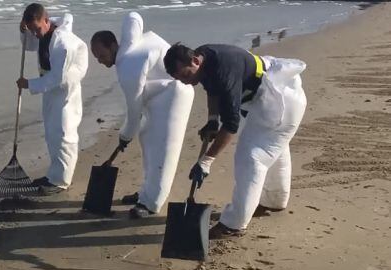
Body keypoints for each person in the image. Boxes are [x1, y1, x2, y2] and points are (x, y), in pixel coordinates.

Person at [164, 43, 306, 239]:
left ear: (195, 61)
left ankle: (234, 224)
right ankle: (275, 200)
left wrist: (206, 161)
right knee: (275, 147)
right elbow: (210, 88)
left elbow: (231, 125)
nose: (186, 83)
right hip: (266, 93)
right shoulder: (204, 57)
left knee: (252, 157)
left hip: (280, 101)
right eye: (180, 79)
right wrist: (213, 120)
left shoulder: (223, 71)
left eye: (186, 76)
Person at [90, 12, 194, 218]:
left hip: (175, 96)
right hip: (160, 96)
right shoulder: (131, 47)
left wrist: (125, 136)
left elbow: (134, 111)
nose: (100, 61)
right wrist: (130, 135)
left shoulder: (128, 66)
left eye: (101, 55)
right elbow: (134, 16)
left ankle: (151, 203)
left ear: (112, 45)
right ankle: (146, 192)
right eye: (96, 57)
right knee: (148, 140)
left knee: (163, 151)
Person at [17, 3, 88, 195]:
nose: (36, 34)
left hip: (65, 89)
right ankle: (53, 175)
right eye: (32, 30)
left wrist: (29, 84)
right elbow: (30, 45)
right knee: (51, 131)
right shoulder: (41, 32)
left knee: (63, 133)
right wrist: (23, 32)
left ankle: (61, 181)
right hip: (49, 85)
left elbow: (58, 78)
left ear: (46, 20)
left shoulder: (63, 44)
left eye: (37, 29)